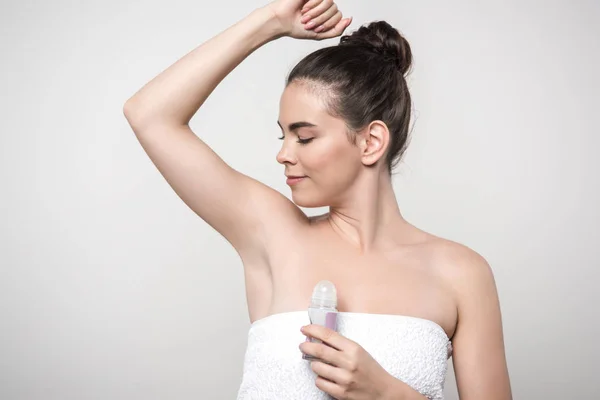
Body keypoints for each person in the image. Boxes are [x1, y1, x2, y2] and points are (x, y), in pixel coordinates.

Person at [123, 0, 512, 399]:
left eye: (304, 136)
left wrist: (387, 394)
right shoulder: (272, 234)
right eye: (283, 135)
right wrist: (269, 23)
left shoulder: (461, 274)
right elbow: (149, 115)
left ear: (371, 141)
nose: (284, 154)